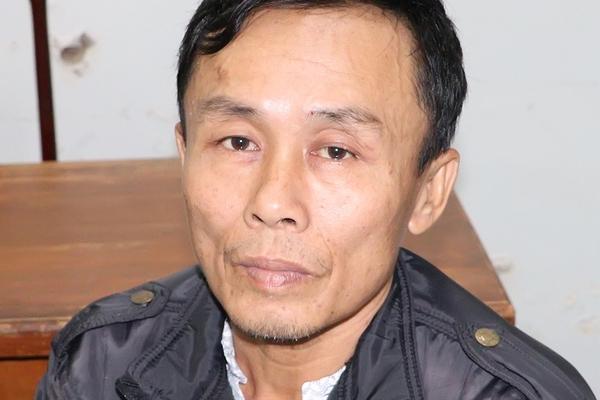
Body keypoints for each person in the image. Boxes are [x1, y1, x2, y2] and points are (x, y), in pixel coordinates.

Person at [36, 1, 596, 399]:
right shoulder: (101, 364)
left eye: (335, 151)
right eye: (238, 142)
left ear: (428, 191)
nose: (273, 201)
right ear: (184, 156)